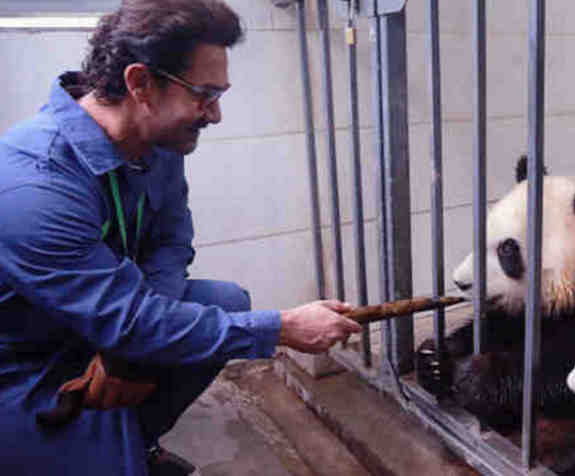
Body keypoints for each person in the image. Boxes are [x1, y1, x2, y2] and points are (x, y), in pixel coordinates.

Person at [0, 1, 362, 475]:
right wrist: (281, 328)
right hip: (24, 364)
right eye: (204, 94)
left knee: (225, 302)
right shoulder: (33, 184)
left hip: (97, 329)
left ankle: (133, 438)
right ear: (140, 83)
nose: (215, 115)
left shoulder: (155, 143)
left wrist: (130, 349)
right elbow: (128, 318)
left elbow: (171, 244)